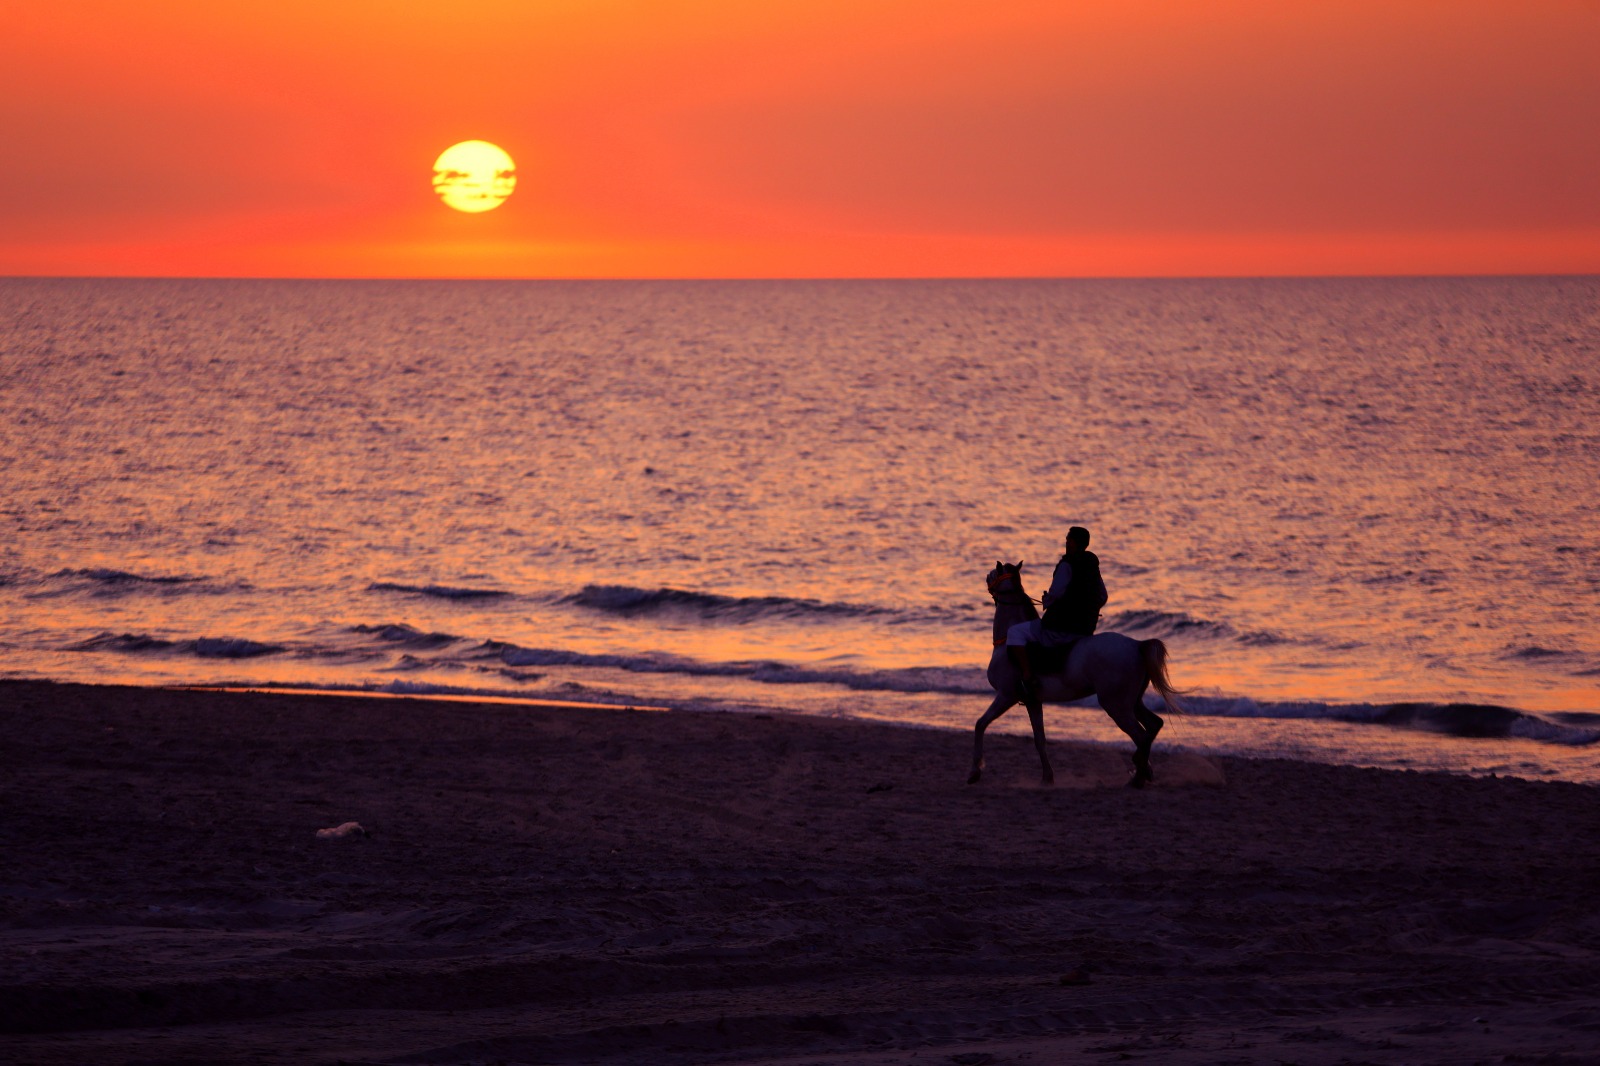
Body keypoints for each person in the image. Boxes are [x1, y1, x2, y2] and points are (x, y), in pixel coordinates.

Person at [1005, 526, 1107, 693]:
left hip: (1060, 628)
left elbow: (1056, 593)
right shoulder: (1091, 564)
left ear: (1073, 542)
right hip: (1086, 628)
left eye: (1069, 539)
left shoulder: (1067, 564)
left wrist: (1047, 600)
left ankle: (1027, 676)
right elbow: (1103, 596)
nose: (1066, 542)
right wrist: (1087, 610)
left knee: (1015, 632)